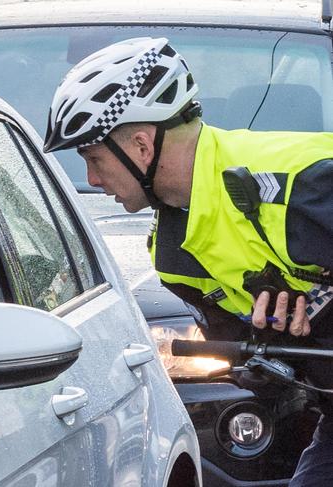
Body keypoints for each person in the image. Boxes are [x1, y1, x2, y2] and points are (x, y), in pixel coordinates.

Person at [43, 36, 333, 486]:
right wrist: (262, 342)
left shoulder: (299, 182)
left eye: (95, 158)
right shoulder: (172, 253)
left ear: (140, 145)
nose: (92, 180)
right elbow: (256, 373)